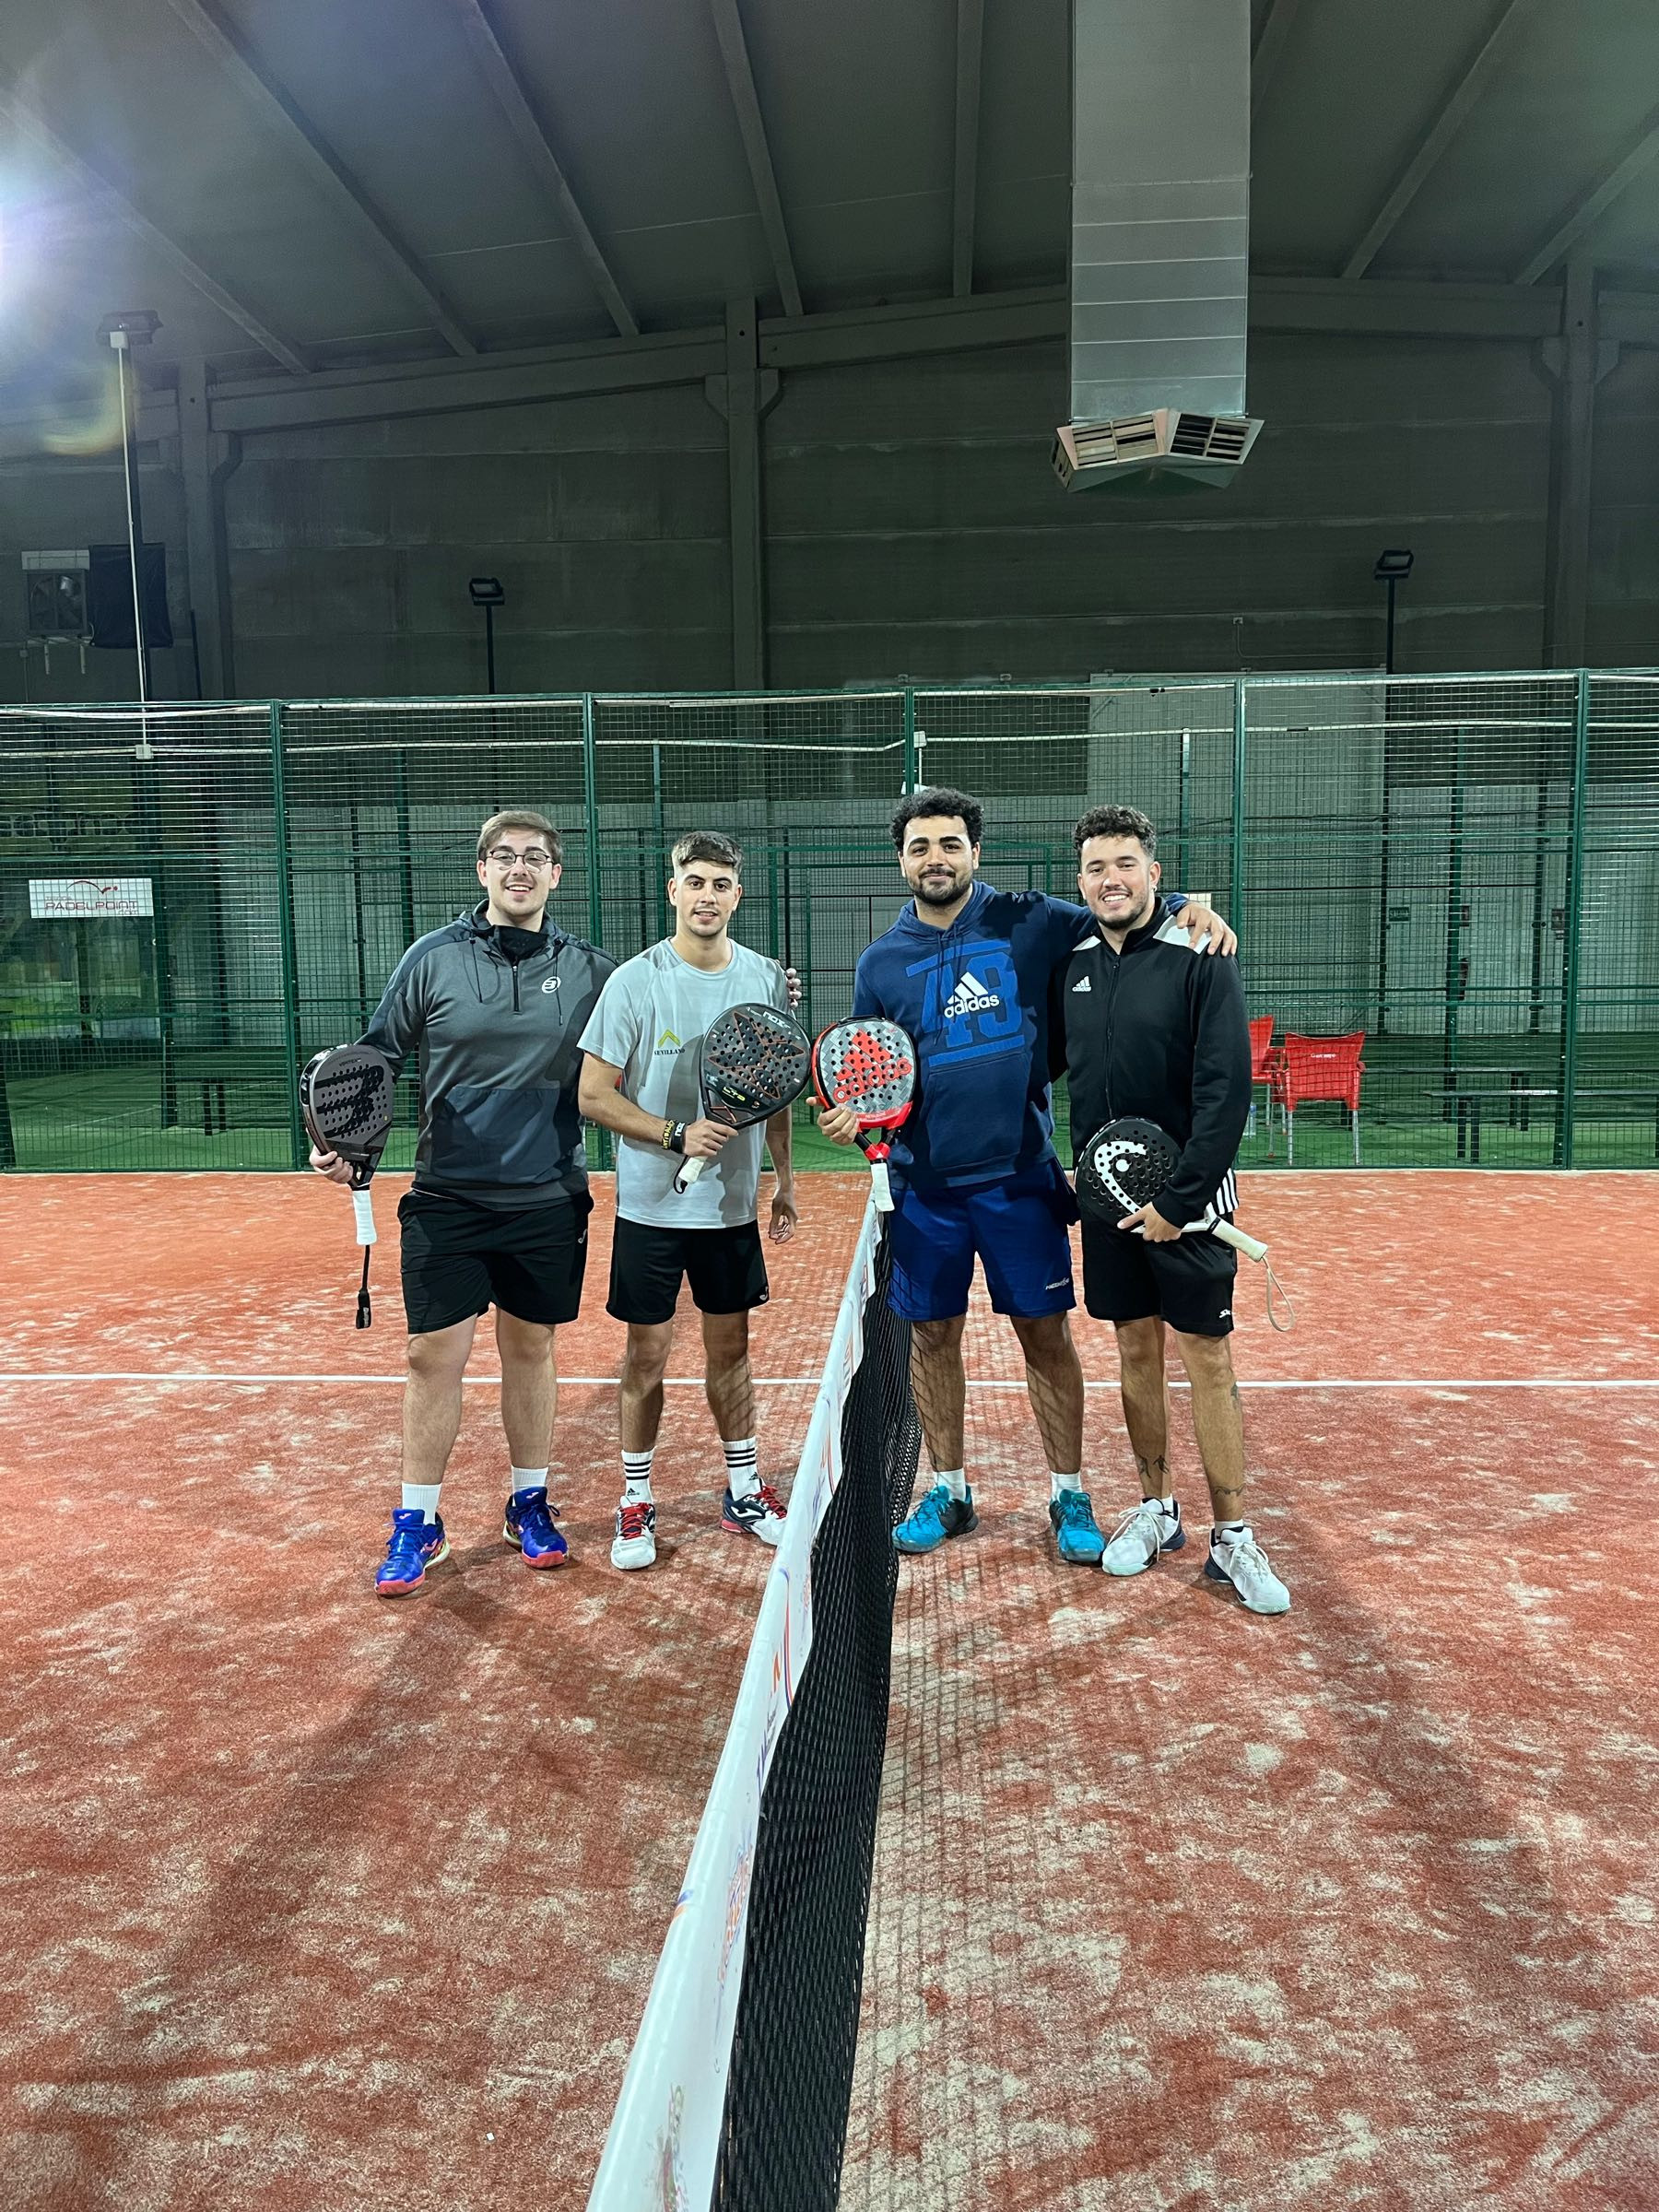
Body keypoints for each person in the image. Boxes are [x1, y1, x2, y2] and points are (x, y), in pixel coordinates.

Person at [818, 785, 1233, 1565]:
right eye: (919, 847)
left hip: (1021, 1180)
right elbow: (875, 1072)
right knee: (932, 1339)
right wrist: (855, 1120)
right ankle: (949, 1490)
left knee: (1045, 1337)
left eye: (950, 844)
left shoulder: (1034, 919)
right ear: (900, 860)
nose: (936, 859)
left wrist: (1189, 905)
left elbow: (1123, 908)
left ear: (975, 852)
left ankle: (1068, 1492)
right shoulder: (879, 963)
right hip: (924, 1189)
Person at [310, 809, 615, 1597]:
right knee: (430, 1355)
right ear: (482, 870)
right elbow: (376, 1055)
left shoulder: (592, 970)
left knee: (530, 1348)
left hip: (548, 1195)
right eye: (504, 856)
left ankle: (528, 1503)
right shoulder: (432, 958)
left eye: (535, 858)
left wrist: (767, 990)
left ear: (556, 874)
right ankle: (418, 1520)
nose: (520, 869)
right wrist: (343, 1140)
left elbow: (644, 1043)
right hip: (448, 1194)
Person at [1058, 803, 1289, 1614]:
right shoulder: (1073, 959)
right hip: (1108, 1203)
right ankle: (1157, 1510)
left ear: (1154, 872)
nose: (1111, 879)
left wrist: (1178, 1199)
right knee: (1134, 1351)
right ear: (1080, 880)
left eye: (1126, 864)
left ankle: (1233, 1536)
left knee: (1207, 1358)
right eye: (1096, 867)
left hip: (1189, 1205)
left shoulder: (1201, 952)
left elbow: (1227, 1089)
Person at [577, 831, 798, 1571]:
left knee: (731, 1351)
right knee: (646, 1355)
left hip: (730, 1211)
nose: (707, 895)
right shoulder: (634, 981)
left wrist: (784, 1182)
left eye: (721, 884)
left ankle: (743, 1489)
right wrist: (676, 1134)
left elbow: (774, 1087)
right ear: (673, 890)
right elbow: (592, 1095)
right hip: (650, 1210)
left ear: (738, 896)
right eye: (695, 881)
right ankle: (636, 1498)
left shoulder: (765, 979)